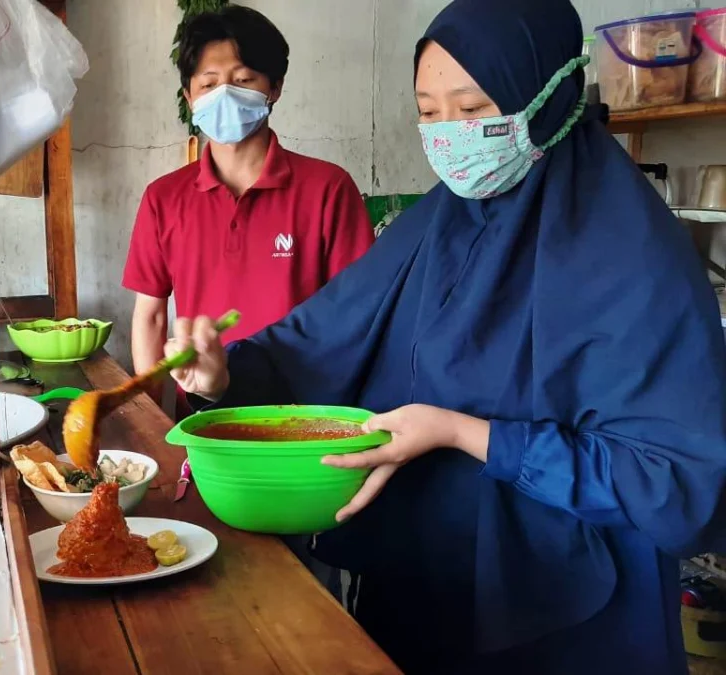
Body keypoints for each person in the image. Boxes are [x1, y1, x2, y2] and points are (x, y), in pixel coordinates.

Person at [164, 0, 726, 673]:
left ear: (545, 98)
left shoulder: (631, 256)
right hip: (425, 594)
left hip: (569, 618)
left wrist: (466, 433)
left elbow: (673, 480)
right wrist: (222, 373)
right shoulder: (436, 227)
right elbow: (317, 343)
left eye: (472, 108)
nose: (448, 134)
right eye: (428, 112)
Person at [122, 5, 374, 406]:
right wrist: (147, 412)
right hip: (204, 419)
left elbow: (360, 313)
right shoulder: (163, 198)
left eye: (242, 80)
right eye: (208, 84)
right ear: (189, 97)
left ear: (274, 87)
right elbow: (150, 315)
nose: (225, 94)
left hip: (305, 417)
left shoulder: (328, 189)